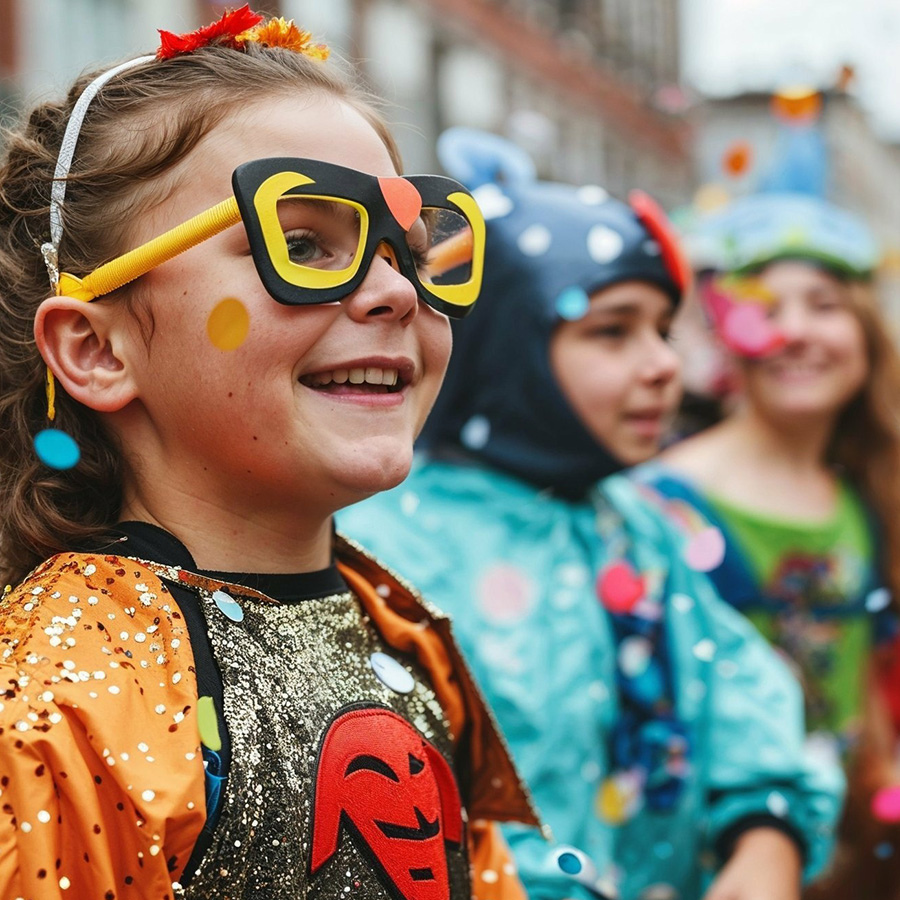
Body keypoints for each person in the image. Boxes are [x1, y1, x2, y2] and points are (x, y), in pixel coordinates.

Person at [0, 10, 538, 899]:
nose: (396, 292)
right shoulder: (61, 703)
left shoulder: (402, 633)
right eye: (300, 244)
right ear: (96, 349)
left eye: (406, 251)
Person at [339, 129, 843, 900]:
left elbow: (736, 687)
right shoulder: (384, 544)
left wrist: (764, 828)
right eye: (613, 331)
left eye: (663, 329)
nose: (665, 364)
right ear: (505, 342)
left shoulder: (638, 526)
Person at [631, 192, 900, 897]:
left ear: (867, 331)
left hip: (848, 859)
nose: (796, 332)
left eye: (824, 305)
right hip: (712, 863)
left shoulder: (868, 497)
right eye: (768, 309)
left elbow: (866, 679)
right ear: (726, 333)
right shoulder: (657, 503)